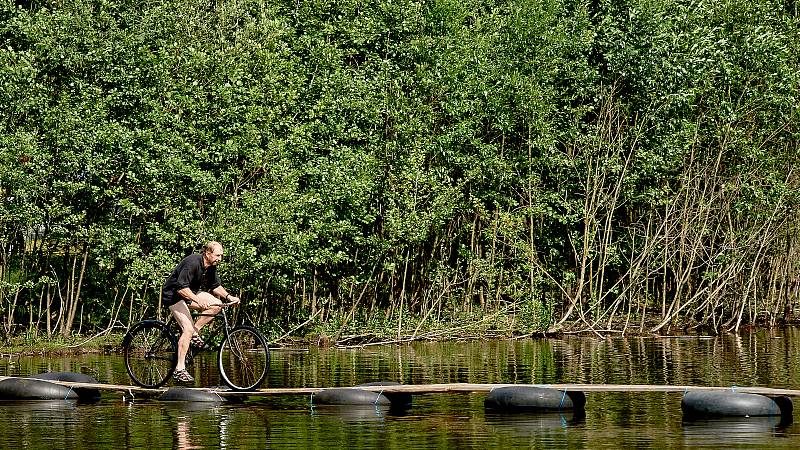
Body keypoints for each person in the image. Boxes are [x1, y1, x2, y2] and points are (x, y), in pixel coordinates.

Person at [161, 241, 240, 382]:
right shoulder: (192, 262)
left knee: (217, 305)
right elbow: (181, 288)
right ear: (207, 253)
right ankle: (179, 369)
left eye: (221, 256)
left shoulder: (211, 266)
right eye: (217, 255)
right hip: (173, 296)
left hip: (189, 294)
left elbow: (215, 286)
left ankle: (194, 332)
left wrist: (229, 297)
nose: (220, 259)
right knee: (187, 329)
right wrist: (197, 301)